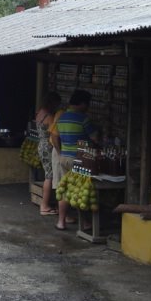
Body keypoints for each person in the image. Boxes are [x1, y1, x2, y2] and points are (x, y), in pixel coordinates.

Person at [51, 89, 98, 231]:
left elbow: (54, 137)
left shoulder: (62, 117)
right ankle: (84, 223)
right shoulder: (84, 119)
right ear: (82, 103)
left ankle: (61, 222)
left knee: (65, 188)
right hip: (78, 159)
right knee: (80, 189)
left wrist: (60, 153)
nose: (88, 107)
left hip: (64, 157)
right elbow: (95, 138)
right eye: (87, 104)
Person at [35, 91, 62, 215]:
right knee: (49, 176)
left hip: (41, 144)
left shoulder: (40, 113)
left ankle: (45, 204)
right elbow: (54, 134)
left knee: (47, 174)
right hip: (48, 146)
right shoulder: (50, 116)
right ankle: (44, 206)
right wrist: (59, 150)